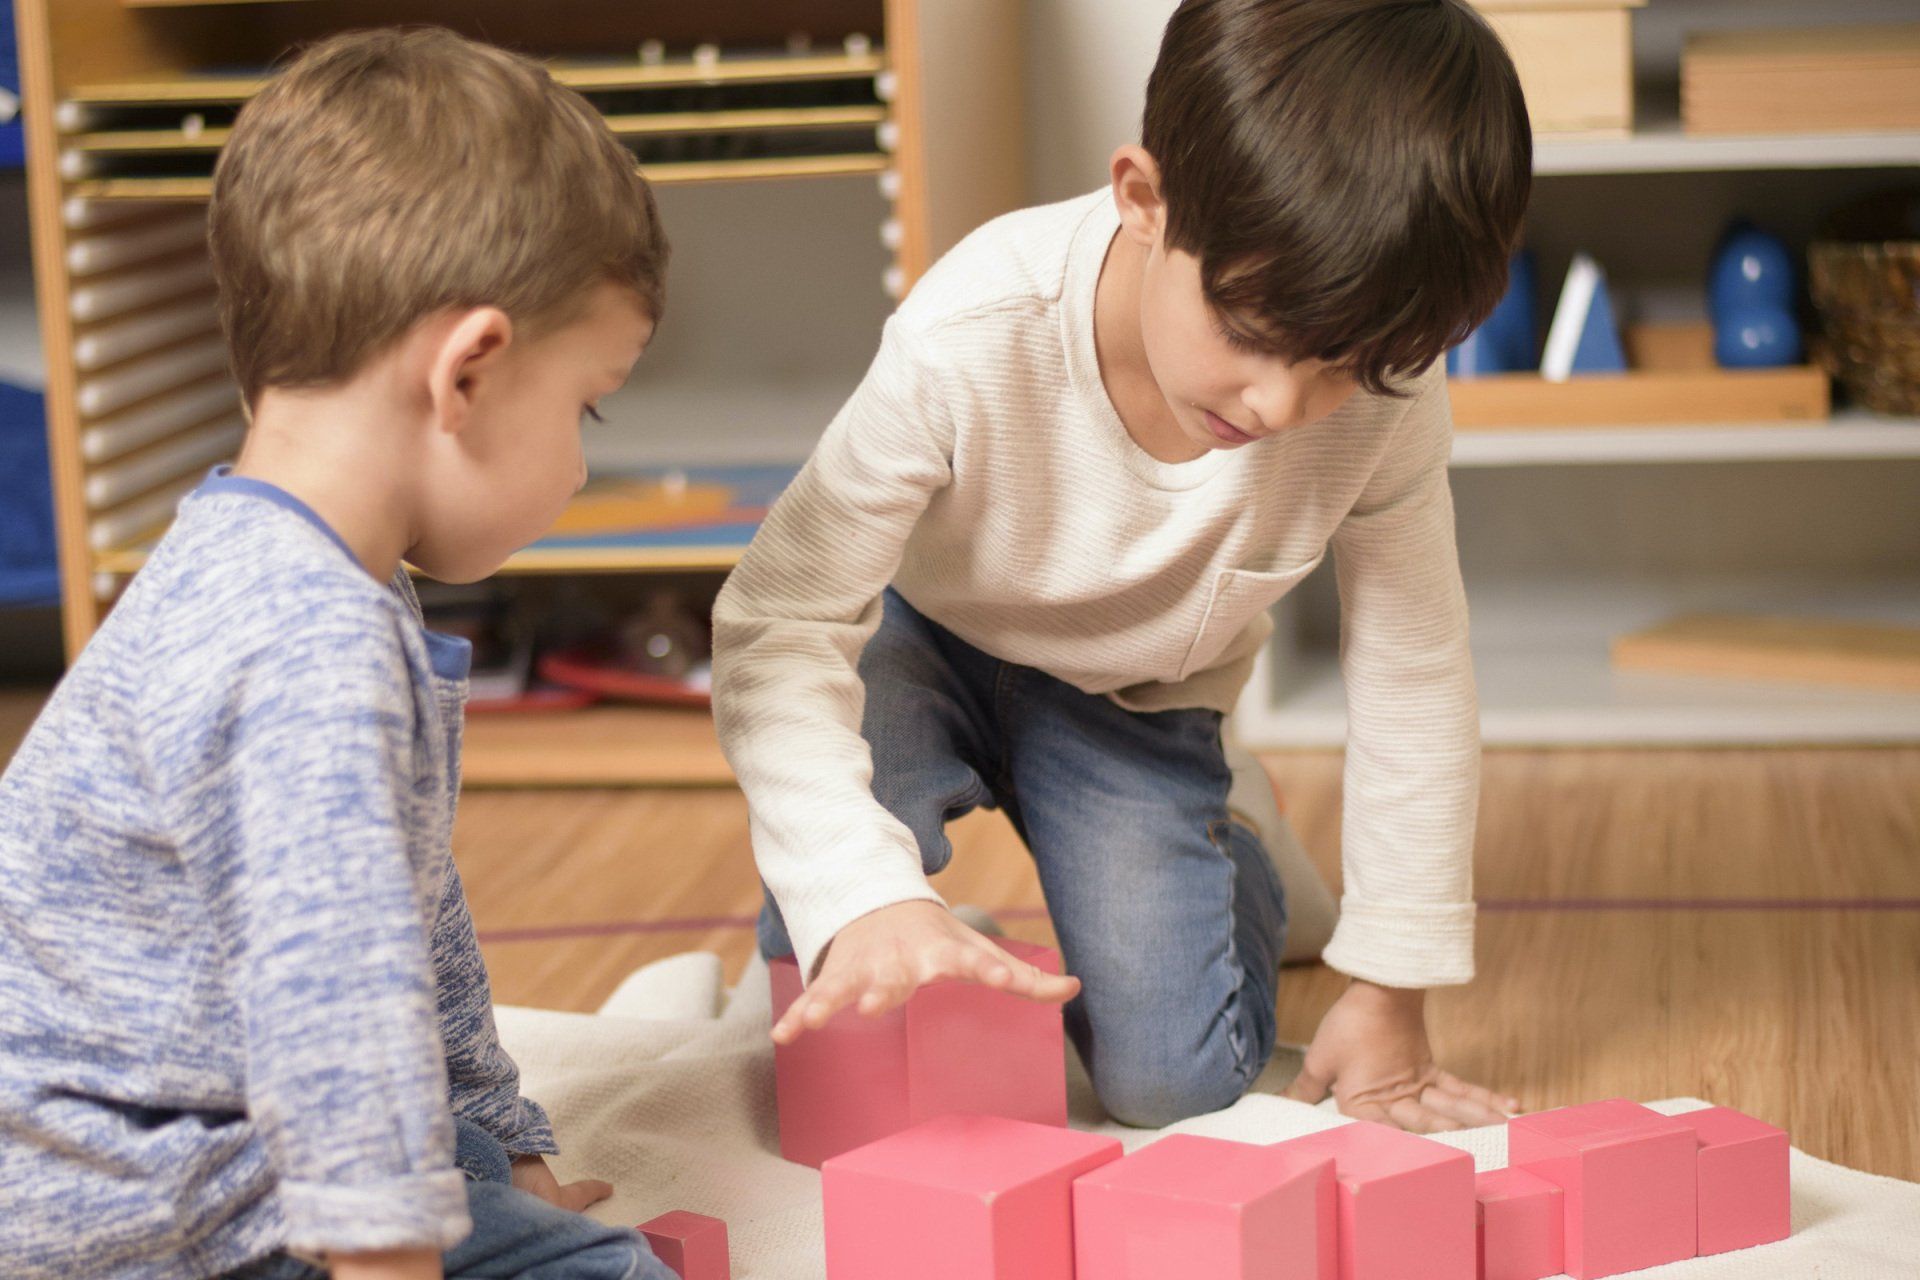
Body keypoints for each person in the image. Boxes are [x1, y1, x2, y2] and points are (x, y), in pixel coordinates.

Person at [713, 0, 1531, 1133]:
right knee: (829, 990)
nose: (1284, 404)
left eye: (1340, 364)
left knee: (1173, 1089)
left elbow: (1414, 668)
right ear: (1144, 200)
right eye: (1249, 330)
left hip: (1136, 701)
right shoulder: (971, 331)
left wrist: (1392, 980)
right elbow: (780, 618)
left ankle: (1238, 838)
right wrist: (867, 894)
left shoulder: (1388, 395)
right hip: (921, 643)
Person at [0, 28, 672, 1280]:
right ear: (469, 368)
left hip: (153, 1121)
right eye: (588, 405)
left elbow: (407, 913)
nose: (581, 465)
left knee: (457, 1163)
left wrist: (508, 1141)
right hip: (135, 1208)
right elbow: (336, 1019)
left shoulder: (266, 551)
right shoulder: (310, 646)